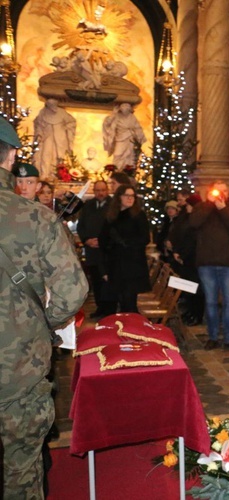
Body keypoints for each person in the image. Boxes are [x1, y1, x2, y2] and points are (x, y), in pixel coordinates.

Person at [0, 117, 88, 499]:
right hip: (16, 372)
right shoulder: (34, 217)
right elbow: (72, 291)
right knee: (19, 473)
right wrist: (45, 325)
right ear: (13, 157)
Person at [189, 181, 229, 351]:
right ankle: (213, 336)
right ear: (209, 192)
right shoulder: (201, 207)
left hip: (227, 263)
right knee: (211, 301)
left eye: (224, 191)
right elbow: (194, 223)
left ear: (228, 193)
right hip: (206, 262)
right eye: (216, 192)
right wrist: (210, 205)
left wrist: (222, 208)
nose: (220, 194)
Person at [99, 185, 151, 313]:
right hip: (116, 264)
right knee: (120, 299)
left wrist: (125, 243)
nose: (130, 198)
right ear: (119, 197)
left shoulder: (139, 215)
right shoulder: (112, 216)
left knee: (130, 300)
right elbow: (103, 239)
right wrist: (112, 243)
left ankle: (133, 329)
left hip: (133, 264)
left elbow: (145, 239)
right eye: (127, 195)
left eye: (132, 195)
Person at [76, 180, 116, 318]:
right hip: (92, 250)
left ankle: (110, 309)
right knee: (96, 280)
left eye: (103, 190)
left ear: (107, 190)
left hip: (107, 251)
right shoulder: (88, 205)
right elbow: (81, 226)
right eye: (98, 190)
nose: (100, 193)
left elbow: (115, 227)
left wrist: (103, 241)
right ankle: (100, 308)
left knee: (108, 281)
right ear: (94, 191)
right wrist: (87, 240)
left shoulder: (113, 205)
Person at [169, 193, 205, 326]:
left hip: (194, 259)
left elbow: (192, 241)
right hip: (186, 259)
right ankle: (190, 311)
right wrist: (177, 252)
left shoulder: (197, 220)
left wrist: (182, 255)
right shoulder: (187, 217)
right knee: (188, 288)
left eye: (189, 205)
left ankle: (197, 314)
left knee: (197, 289)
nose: (187, 207)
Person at [33, 98, 77, 179]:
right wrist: (39, 134)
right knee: (46, 154)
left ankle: (56, 174)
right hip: (47, 137)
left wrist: (66, 127)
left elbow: (72, 122)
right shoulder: (43, 112)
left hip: (60, 138)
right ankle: (45, 173)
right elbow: (38, 124)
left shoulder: (62, 113)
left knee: (59, 156)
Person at [102, 103, 147, 169]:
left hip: (129, 138)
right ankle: (117, 170)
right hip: (119, 139)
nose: (125, 110)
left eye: (126, 109)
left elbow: (137, 128)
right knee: (117, 154)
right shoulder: (117, 116)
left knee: (129, 155)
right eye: (123, 109)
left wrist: (140, 137)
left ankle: (127, 170)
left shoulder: (132, 117)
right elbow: (107, 123)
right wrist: (113, 114)